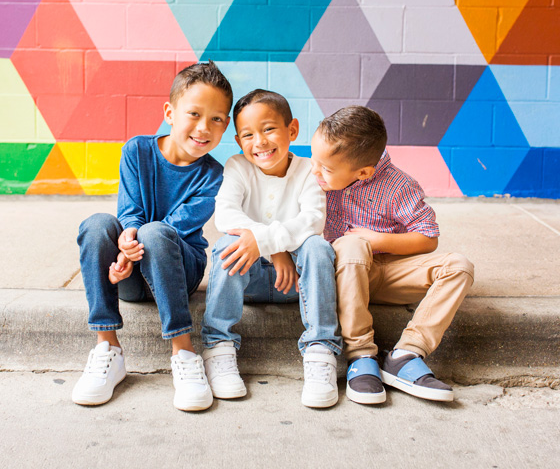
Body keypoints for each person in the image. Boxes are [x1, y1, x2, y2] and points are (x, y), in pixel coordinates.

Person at [71, 61, 233, 412]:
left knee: (157, 232)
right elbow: (130, 211)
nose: (204, 127)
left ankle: (184, 353)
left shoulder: (213, 175)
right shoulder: (136, 151)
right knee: (97, 224)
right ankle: (107, 349)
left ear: (226, 125)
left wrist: (130, 250)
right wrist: (124, 243)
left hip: (179, 270)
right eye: (194, 113)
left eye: (217, 119)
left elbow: (176, 228)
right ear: (170, 113)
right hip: (130, 277)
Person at [309, 106, 474, 404]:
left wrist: (380, 239)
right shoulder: (316, 181)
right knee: (351, 245)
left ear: (363, 172)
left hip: (390, 273)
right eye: (314, 160)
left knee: (459, 266)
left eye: (326, 168)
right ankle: (360, 355)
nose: (314, 171)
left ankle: (406, 353)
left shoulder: (399, 186)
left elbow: (428, 237)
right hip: (346, 275)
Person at [201, 89, 342, 408]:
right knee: (227, 243)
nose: (260, 142)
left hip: (297, 285)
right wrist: (274, 250)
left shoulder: (308, 170)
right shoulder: (237, 166)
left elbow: (313, 220)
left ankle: (321, 351)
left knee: (318, 246)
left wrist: (264, 241)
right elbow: (225, 214)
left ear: (291, 130)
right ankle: (219, 347)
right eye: (248, 134)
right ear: (239, 142)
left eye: (268, 129)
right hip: (247, 282)